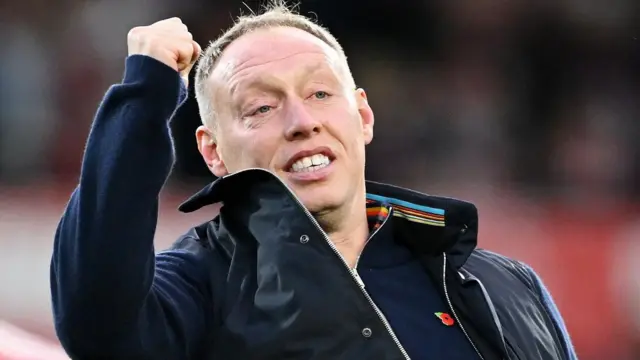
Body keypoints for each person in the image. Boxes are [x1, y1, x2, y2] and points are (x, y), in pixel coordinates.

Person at [50, 3, 578, 360]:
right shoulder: (196, 288)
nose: (302, 120)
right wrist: (145, 93)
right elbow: (95, 321)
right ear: (212, 152)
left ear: (364, 117)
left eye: (321, 94)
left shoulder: (502, 283)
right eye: (260, 106)